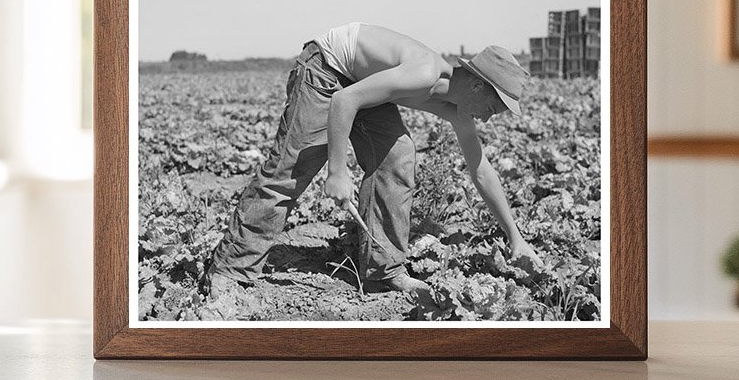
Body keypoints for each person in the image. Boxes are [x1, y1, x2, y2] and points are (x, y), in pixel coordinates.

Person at [201, 22, 543, 304]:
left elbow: (480, 169)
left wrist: (515, 237)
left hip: (359, 84)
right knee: (293, 169)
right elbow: (344, 100)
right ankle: (230, 270)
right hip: (328, 69)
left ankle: (385, 270)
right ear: (477, 85)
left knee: (397, 156)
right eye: (493, 109)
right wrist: (337, 171)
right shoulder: (424, 72)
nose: (487, 119)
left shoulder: (457, 108)